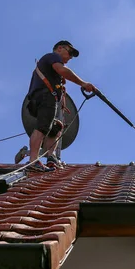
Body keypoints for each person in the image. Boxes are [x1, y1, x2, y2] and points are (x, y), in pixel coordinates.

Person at [22, 40, 95, 171]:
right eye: (70, 52)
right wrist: (83, 83)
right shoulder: (53, 57)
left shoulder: (48, 64)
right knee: (43, 127)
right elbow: (62, 70)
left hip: (39, 99)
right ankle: (33, 162)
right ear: (60, 48)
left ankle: (51, 157)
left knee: (56, 126)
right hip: (45, 97)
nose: (70, 57)